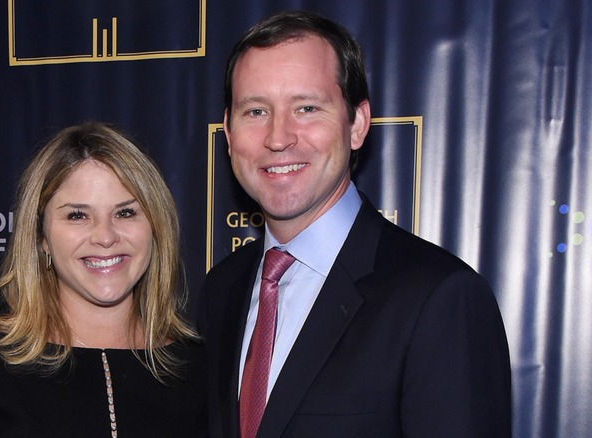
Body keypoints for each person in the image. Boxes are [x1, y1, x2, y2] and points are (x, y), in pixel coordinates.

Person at [197, 10, 511, 437]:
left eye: (306, 107)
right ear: (229, 134)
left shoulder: (438, 299)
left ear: (357, 124)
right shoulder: (219, 291)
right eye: (255, 111)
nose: (277, 137)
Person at [0, 122, 207, 437]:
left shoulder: (202, 369)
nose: (105, 236)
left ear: (155, 227)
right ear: (41, 236)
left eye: (125, 213)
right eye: (77, 215)